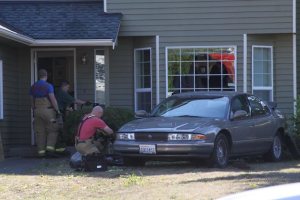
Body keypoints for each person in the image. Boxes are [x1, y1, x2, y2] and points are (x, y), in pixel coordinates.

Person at [30, 69, 61, 157]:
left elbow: (32, 101)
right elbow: (52, 99)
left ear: (38, 76)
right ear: (46, 76)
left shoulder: (33, 86)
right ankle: (50, 151)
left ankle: (41, 153)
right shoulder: (48, 86)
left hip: (37, 111)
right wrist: (57, 110)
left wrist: (34, 110)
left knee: (40, 132)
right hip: (48, 111)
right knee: (53, 129)